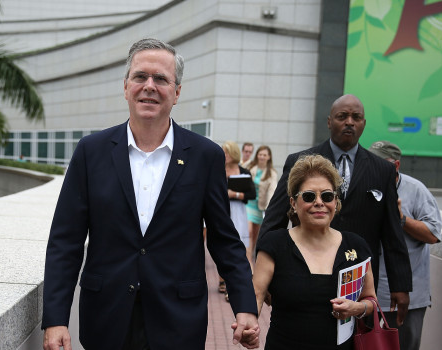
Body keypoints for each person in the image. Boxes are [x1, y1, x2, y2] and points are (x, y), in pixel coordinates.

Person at [42, 38, 260, 350]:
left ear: (177, 92)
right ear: (126, 85)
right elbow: (66, 241)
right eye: (140, 76)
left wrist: (246, 306)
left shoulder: (204, 156)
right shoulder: (92, 152)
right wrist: (55, 319)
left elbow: (224, 238)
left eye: (161, 79)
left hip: (178, 322)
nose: (149, 86)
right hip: (106, 319)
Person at [259, 94, 412, 325]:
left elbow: (392, 231)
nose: (349, 122)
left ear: (363, 124)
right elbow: (273, 220)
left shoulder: (382, 170)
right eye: (342, 116)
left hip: (356, 282)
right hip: (302, 278)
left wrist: (400, 285)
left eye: (356, 117)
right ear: (330, 121)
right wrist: (265, 275)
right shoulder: (299, 162)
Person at [253, 154, 377, 349]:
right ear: (293, 203)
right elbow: (257, 295)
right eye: (309, 196)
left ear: (335, 202)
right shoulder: (274, 244)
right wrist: (249, 323)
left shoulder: (356, 246)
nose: (319, 202)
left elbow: (370, 300)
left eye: (327, 196)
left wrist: (358, 308)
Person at [369, 140, 442, 350]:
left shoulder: (416, 189)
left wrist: (400, 218)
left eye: (382, 163)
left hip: (408, 296)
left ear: (396, 166)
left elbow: (433, 235)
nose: (376, 168)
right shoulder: (363, 186)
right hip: (367, 294)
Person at [218, 140, 256, 301]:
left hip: (238, 212)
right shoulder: (217, 170)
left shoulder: (244, 171)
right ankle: (223, 280)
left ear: (233, 154)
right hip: (221, 212)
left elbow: (252, 194)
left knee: (240, 247)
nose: (224, 156)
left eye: (226, 153)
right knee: (221, 246)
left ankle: (239, 283)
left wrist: (235, 194)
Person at [245, 145, 278, 262]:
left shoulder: (272, 173)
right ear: (257, 155)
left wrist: (269, 209)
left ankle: (250, 255)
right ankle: (248, 260)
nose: (262, 157)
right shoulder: (250, 166)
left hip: (261, 207)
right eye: (260, 154)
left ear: (269, 157)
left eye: (265, 155)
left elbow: (272, 191)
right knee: (248, 231)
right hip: (248, 204)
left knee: (254, 236)